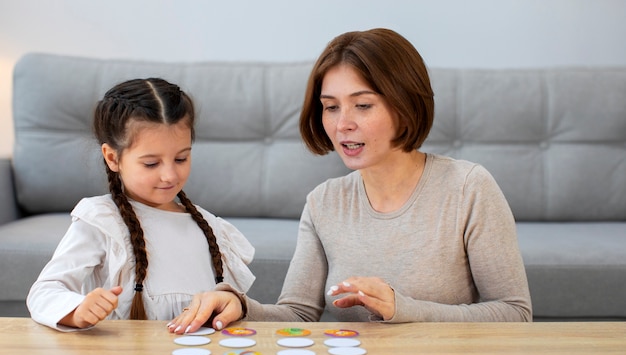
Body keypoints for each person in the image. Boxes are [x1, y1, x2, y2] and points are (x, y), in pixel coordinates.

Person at [168, 28, 532, 334]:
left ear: (404, 106)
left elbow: (515, 313)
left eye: (363, 105)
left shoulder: (468, 187)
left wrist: (402, 308)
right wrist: (238, 305)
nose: (342, 124)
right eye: (331, 106)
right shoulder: (324, 202)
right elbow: (298, 314)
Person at [27, 78, 255, 332]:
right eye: (151, 164)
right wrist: (77, 310)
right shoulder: (102, 221)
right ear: (113, 157)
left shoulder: (210, 227)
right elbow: (44, 292)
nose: (169, 175)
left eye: (181, 158)